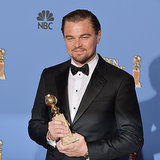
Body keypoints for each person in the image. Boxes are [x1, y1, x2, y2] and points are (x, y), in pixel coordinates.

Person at [28, 9, 144, 160]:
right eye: (70, 38)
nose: (77, 45)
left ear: (98, 36)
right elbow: (35, 125)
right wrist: (49, 135)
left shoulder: (120, 80)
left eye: (84, 37)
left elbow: (133, 139)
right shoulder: (49, 75)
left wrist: (88, 150)